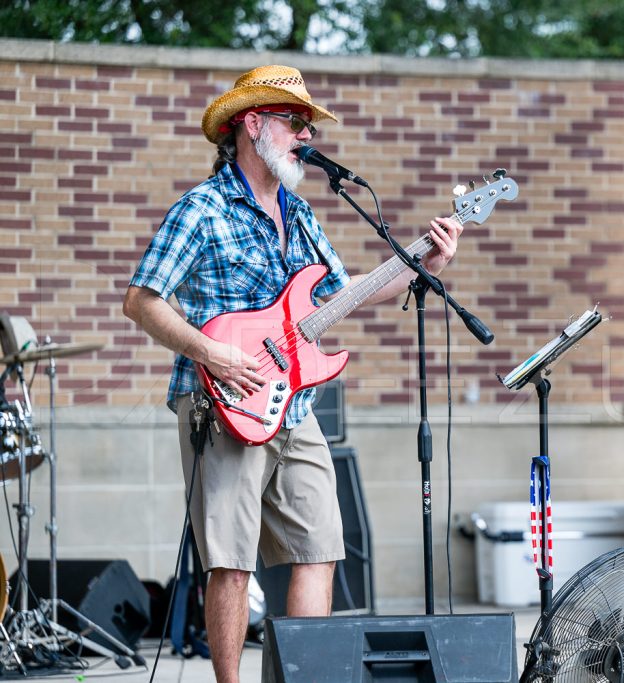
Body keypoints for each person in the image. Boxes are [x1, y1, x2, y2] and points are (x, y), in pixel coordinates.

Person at [123, 65, 463, 683]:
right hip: (224, 400)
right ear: (252, 125)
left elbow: (343, 295)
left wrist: (421, 263)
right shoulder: (200, 210)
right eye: (294, 122)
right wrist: (213, 353)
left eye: (308, 124)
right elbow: (142, 300)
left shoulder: (301, 214)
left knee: (318, 548)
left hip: (296, 409)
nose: (306, 135)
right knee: (230, 563)